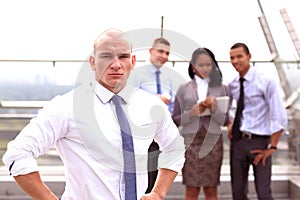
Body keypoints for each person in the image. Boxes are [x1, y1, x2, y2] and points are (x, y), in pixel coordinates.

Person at [2, 29, 185, 200]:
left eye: (123, 56)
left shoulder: (150, 105)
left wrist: (158, 193)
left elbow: (174, 148)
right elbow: (17, 154)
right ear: (92, 62)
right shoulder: (67, 107)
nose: (116, 65)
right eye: (106, 56)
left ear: (133, 61)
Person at [227, 42, 287, 200]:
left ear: (249, 56)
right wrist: (231, 124)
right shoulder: (233, 84)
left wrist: (272, 147)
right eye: (232, 58)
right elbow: (228, 109)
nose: (235, 61)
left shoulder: (266, 81)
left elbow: (279, 116)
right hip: (238, 143)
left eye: (239, 56)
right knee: (238, 193)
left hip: (259, 143)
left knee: (263, 193)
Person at [127, 37, 186, 193]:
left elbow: (173, 107)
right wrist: (153, 100)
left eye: (167, 53)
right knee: (141, 180)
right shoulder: (136, 75)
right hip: (142, 133)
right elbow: (129, 101)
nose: (164, 56)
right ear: (151, 51)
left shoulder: (170, 78)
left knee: (157, 182)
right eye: (160, 51)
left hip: (162, 134)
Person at [172, 47, 228, 200]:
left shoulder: (222, 88)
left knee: (211, 190)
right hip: (191, 143)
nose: (205, 68)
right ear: (193, 66)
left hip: (213, 142)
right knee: (191, 189)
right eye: (201, 65)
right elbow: (174, 120)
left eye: (208, 65)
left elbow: (226, 120)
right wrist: (192, 113)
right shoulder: (183, 89)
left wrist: (214, 109)